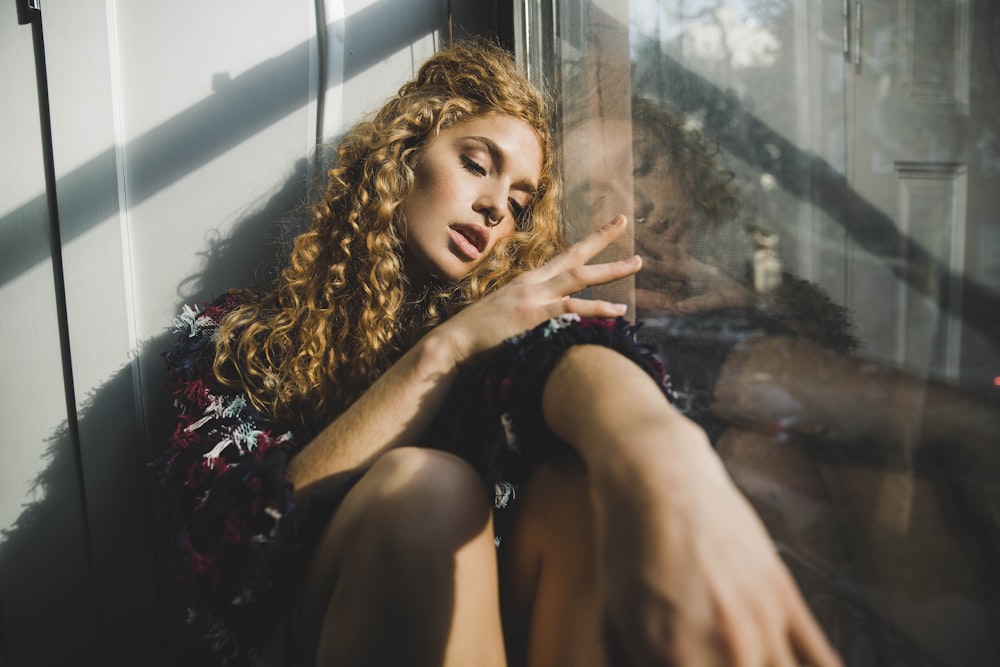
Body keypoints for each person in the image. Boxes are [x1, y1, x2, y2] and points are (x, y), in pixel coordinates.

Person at [152, 41, 842, 667]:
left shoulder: (495, 318)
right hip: (304, 629)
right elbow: (237, 558)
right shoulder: (241, 337)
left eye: (519, 202)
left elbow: (569, 352)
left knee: (575, 487)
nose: (494, 209)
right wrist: (443, 350)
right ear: (403, 155)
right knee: (425, 487)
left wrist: (659, 452)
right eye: (477, 164)